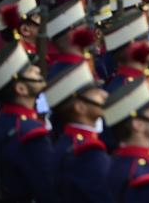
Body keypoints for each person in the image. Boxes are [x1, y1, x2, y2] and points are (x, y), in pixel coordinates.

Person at [0, 42, 53, 202]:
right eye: (30, 70)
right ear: (21, 89)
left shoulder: (0, 123)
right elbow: (49, 192)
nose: (37, 70)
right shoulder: (30, 134)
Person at [46, 62, 112, 202]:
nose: (104, 95)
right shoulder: (87, 154)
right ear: (80, 108)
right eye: (95, 93)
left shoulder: (67, 143)